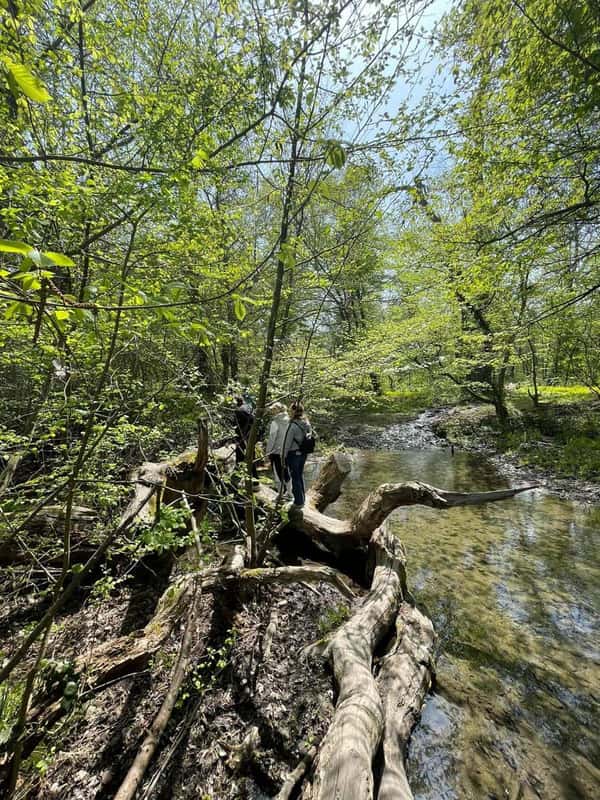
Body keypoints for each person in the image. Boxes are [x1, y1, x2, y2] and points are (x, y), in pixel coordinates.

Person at [283, 400, 312, 507]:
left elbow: (287, 443)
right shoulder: (307, 423)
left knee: (295, 477)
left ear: (293, 411)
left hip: (293, 454)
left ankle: (298, 502)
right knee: (299, 475)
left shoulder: (292, 426)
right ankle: (302, 499)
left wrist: (283, 456)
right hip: (303, 453)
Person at [265, 402, 291, 494]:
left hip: (276, 451)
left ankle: (280, 494)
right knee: (286, 471)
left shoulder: (275, 422)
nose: (272, 411)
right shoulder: (289, 420)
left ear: (279, 410)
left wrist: (267, 453)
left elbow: (272, 439)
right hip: (287, 450)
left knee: (277, 473)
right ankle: (290, 493)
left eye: (273, 409)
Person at [233, 395, 256, 476]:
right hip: (250, 437)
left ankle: (236, 479)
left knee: (239, 458)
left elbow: (236, 427)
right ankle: (255, 482)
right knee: (251, 459)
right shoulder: (250, 411)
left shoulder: (238, 413)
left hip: (241, 438)